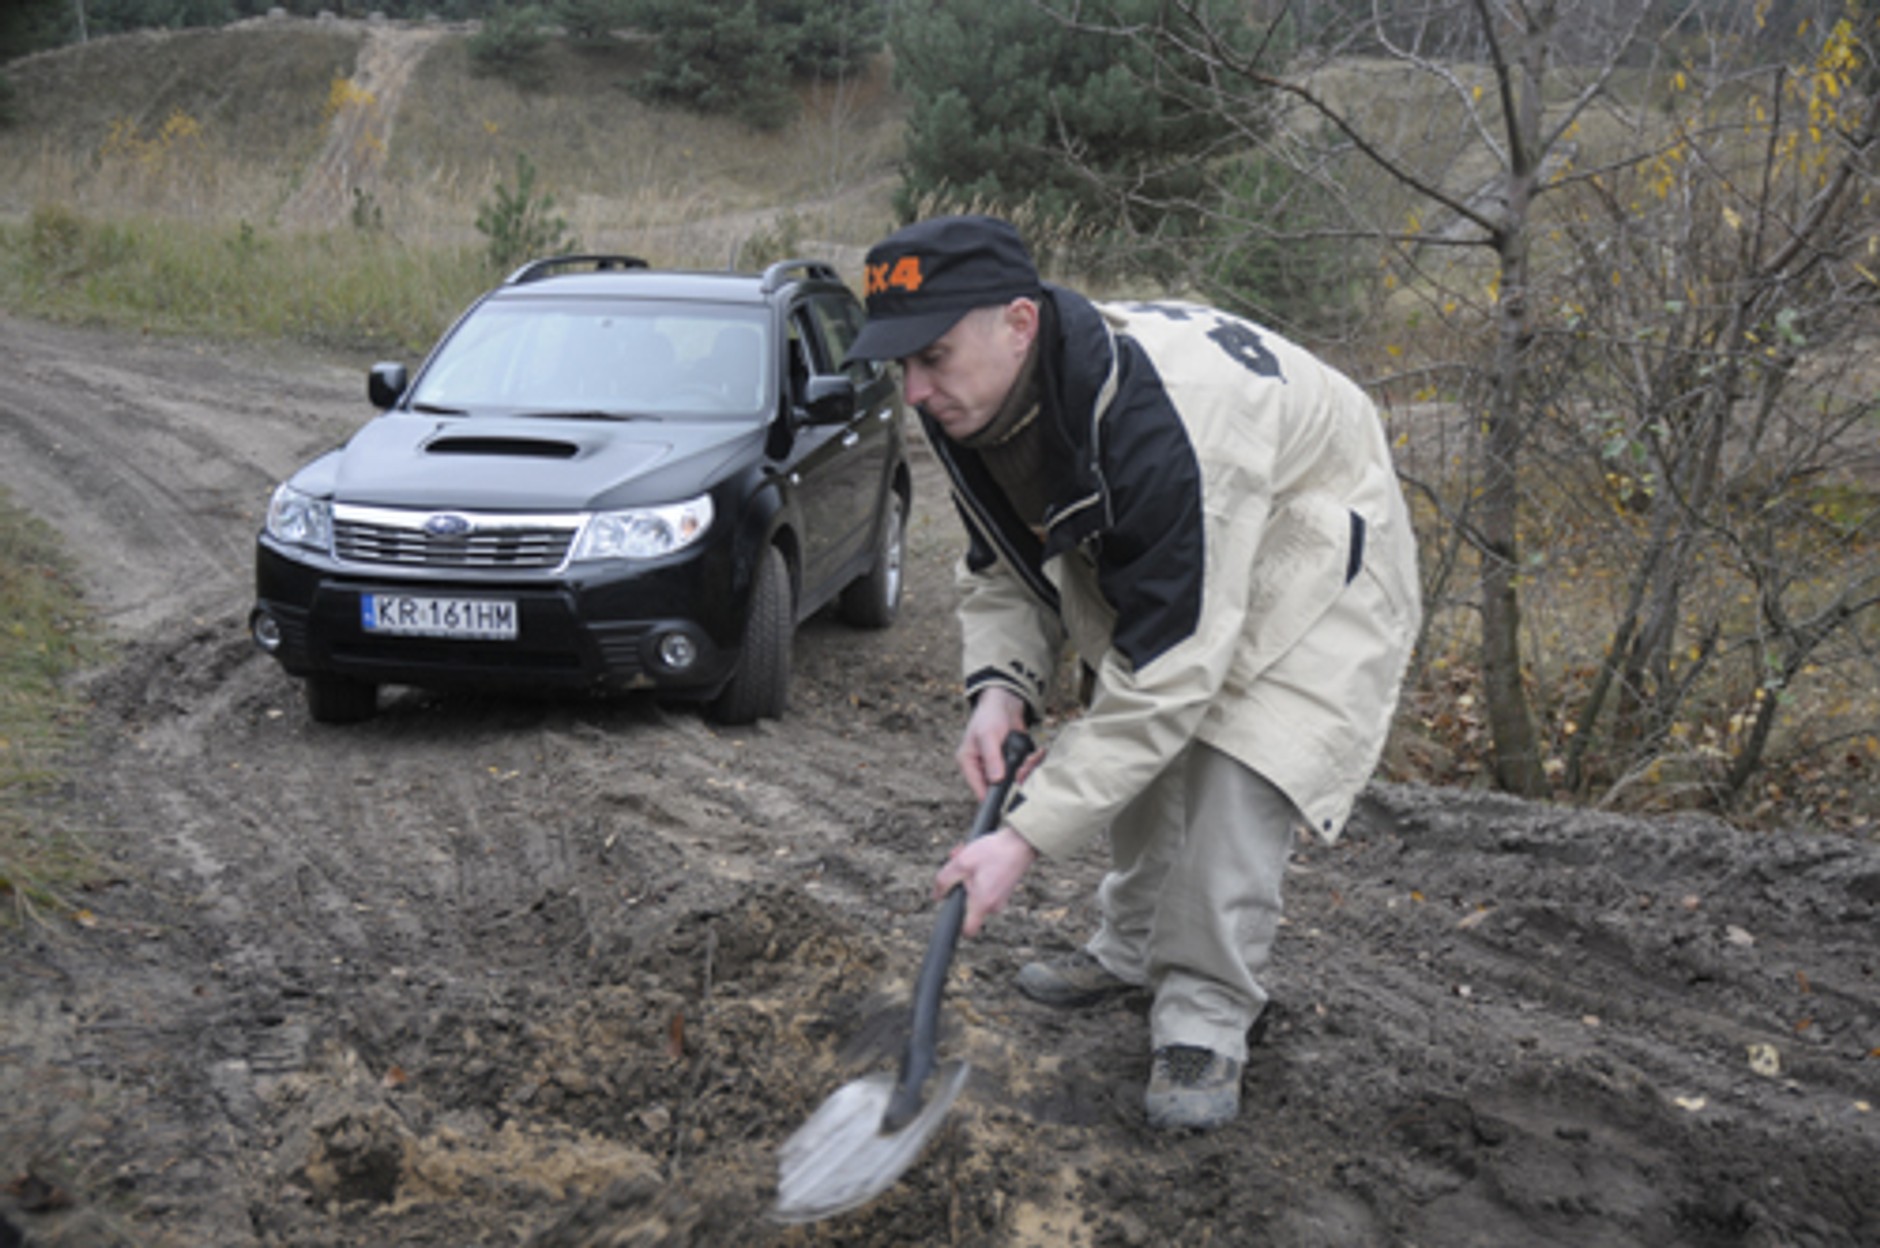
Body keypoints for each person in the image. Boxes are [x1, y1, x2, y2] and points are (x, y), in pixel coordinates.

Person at [844, 215, 1420, 1131]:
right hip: (1194, 527)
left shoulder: (1172, 425)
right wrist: (1001, 686)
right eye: (900, 365)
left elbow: (1174, 673)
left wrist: (1022, 839)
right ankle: (1131, 948)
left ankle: (1207, 1014)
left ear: (1020, 324)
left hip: (1309, 530)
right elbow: (1001, 561)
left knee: (1232, 757)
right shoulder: (969, 399)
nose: (915, 390)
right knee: (1132, 711)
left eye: (934, 357)